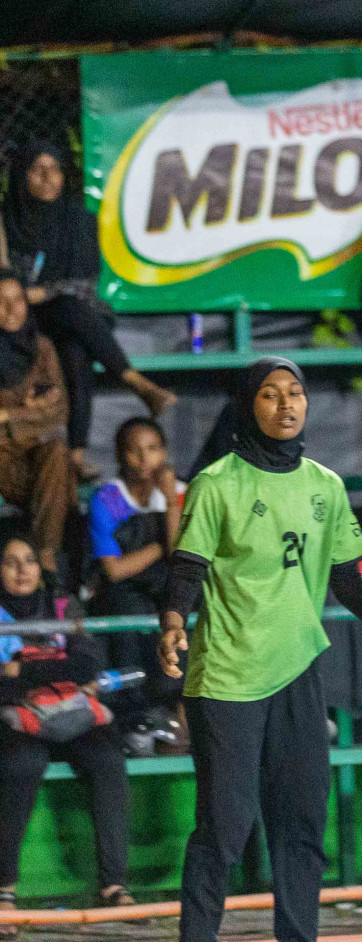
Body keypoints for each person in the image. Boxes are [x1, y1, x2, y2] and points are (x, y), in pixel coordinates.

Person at [155, 356, 362, 942]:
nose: (287, 404)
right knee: (225, 827)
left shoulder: (325, 485)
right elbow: (186, 569)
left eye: (297, 393)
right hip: (227, 675)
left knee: (304, 820)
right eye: (272, 394)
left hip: (300, 671)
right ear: (247, 405)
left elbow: (345, 573)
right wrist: (172, 623)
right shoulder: (217, 483)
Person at [3, 139, 175, 478]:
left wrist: (44, 291)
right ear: (22, 176)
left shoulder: (77, 219)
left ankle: (77, 455)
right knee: (72, 315)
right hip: (21, 318)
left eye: (55, 170)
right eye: (37, 170)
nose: (48, 178)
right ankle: (136, 383)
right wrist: (27, 296)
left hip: (67, 315)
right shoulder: (8, 218)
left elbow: (85, 283)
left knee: (75, 343)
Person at [0, 535, 133, 935]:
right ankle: (4, 888)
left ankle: (113, 884)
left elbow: (90, 663)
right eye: (10, 562)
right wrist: (58, 669)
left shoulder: (62, 604)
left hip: (71, 715)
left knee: (109, 761)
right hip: (17, 720)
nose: (22, 570)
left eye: (29, 560)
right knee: (21, 765)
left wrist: (23, 671)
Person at [87, 417, 186, 741]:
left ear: (165, 452)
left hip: (168, 586)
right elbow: (114, 570)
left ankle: (181, 712)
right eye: (134, 451)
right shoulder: (108, 499)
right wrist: (159, 545)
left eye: (153, 449)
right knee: (125, 614)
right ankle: (136, 719)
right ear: (119, 456)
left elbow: (181, 557)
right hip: (125, 590)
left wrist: (171, 500)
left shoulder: (183, 494)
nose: (145, 459)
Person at [0, 270, 70, 574]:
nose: (12, 309)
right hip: (5, 466)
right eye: (0, 302)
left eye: (18, 300)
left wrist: (9, 414)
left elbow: (58, 413)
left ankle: (45, 556)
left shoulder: (41, 349)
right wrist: (33, 410)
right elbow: (46, 411)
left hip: (37, 463)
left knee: (55, 450)